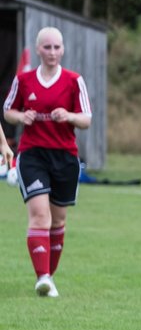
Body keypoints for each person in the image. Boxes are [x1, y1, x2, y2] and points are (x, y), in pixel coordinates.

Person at [2, 27, 92, 298]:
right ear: (38, 49)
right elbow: (8, 112)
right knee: (40, 216)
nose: (52, 52)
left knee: (58, 220)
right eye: (47, 47)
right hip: (33, 155)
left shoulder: (74, 81)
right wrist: (21, 118)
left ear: (62, 50)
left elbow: (86, 119)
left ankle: (49, 277)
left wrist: (69, 116)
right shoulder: (24, 80)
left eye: (56, 47)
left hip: (65, 157)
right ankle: (42, 277)